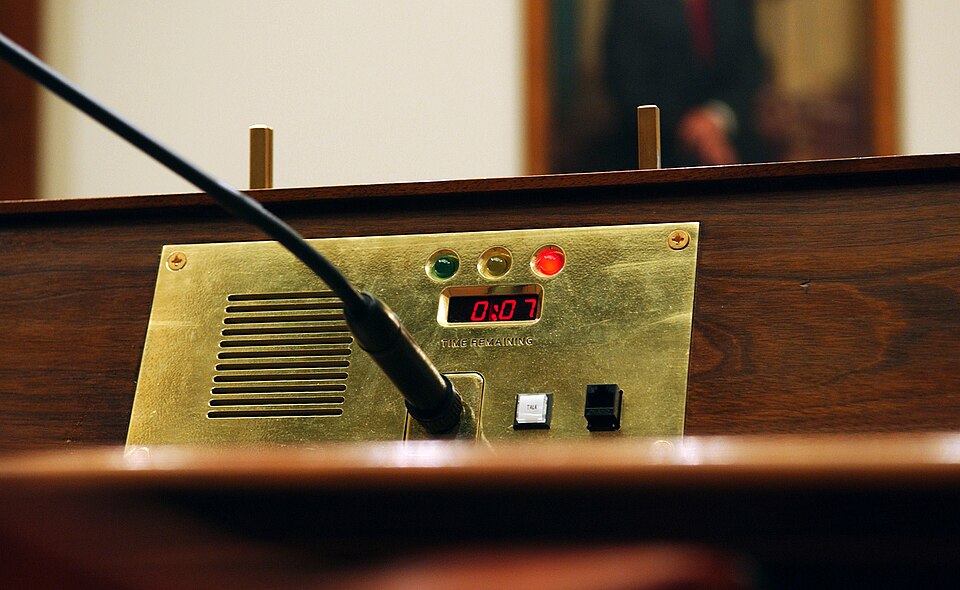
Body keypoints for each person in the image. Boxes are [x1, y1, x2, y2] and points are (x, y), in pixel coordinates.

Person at [603, 0, 768, 169]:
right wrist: (693, 130)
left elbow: (749, 70)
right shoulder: (632, 5)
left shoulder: (734, 4)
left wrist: (714, 119)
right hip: (657, 140)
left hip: (728, 133)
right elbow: (627, 80)